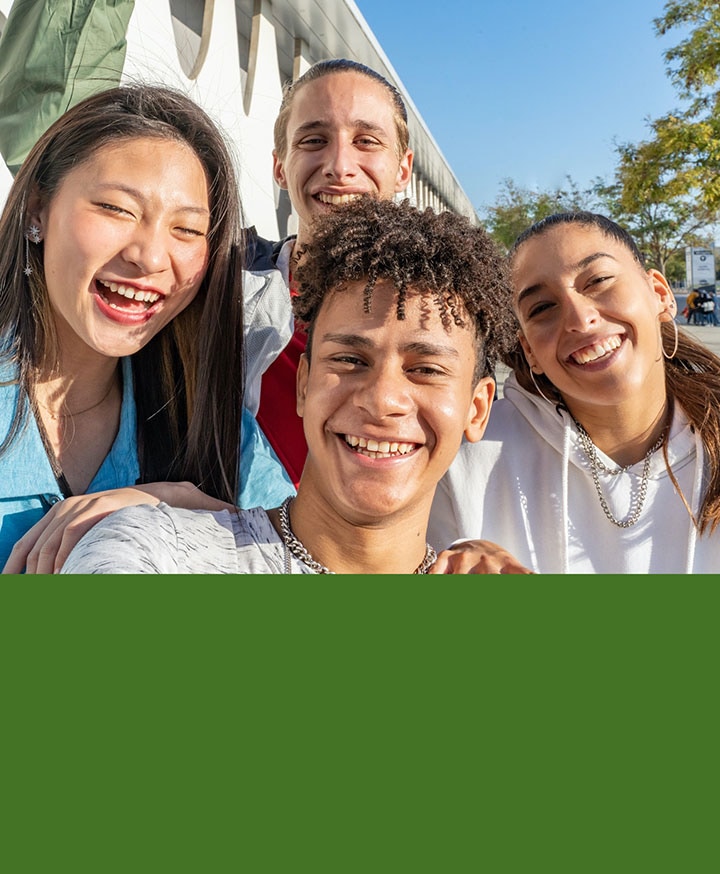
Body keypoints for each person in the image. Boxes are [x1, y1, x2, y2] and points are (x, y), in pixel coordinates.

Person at [60, 196, 521, 574]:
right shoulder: (153, 553)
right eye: (349, 359)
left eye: (425, 369)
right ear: (303, 385)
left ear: (476, 409)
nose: (383, 400)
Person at [0, 83, 290, 572]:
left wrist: (186, 514)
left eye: (187, 229)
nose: (151, 257)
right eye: (117, 209)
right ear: (37, 210)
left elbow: (300, 557)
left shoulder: (210, 425)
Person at [429, 210, 720, 574]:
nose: (580, 319)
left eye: (598, 280)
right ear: (529, 350)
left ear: (659, 294)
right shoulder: (463, 460)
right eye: (543, 307)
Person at [240, 57, 415, 507]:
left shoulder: (441, 314)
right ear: (280, 167)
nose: (339, 165)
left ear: (403, 169)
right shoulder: (218, 284)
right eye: (314, 140)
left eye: (367, 141)